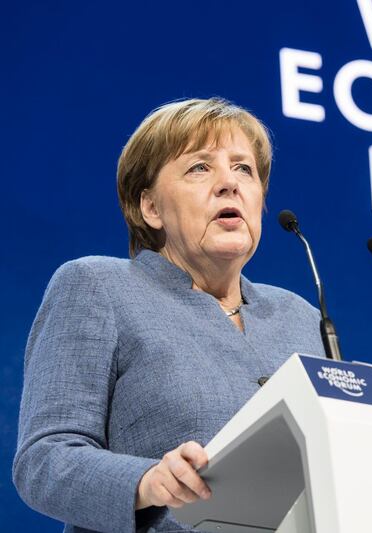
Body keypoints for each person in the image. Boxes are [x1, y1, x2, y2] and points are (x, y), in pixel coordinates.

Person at [13, 98, 325, 533]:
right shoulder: (98, 286)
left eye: (244, 169)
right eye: (200, 167)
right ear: (150, 208)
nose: (228, 184)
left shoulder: (302, 318)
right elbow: (43, 460)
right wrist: (146, 481)